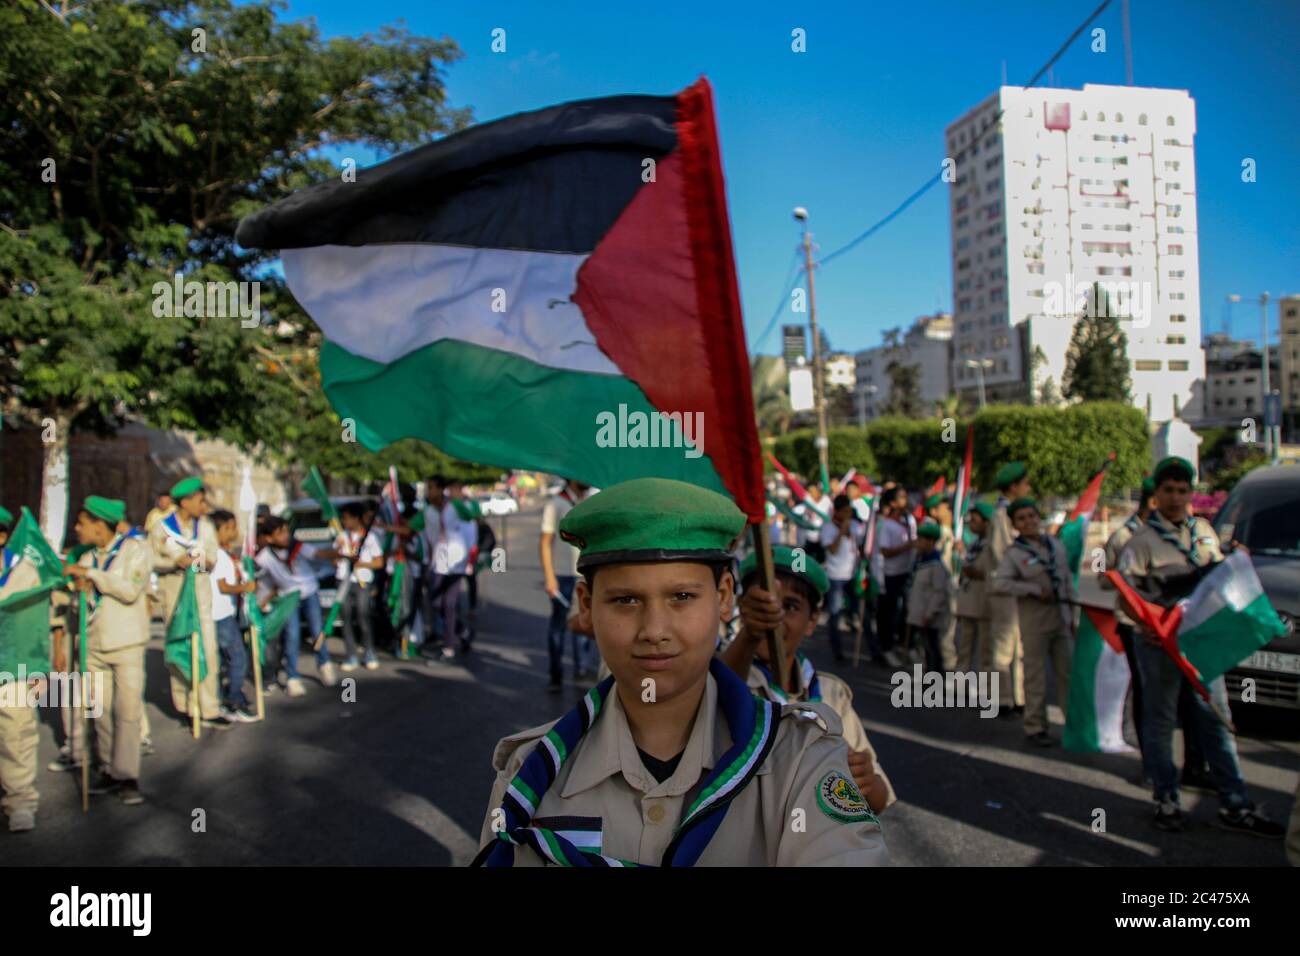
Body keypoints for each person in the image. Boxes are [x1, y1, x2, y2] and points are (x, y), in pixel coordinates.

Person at [474, 477, 889, 867]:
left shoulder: (800, 761)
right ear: (586, 605)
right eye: (625, 600)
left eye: (682, 596)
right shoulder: (528, 775)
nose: (654, 630)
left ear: (724, 598)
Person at [1117, 456, 1284, 836]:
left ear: (1192, 493)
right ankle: (1166, 798)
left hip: (1202, 644)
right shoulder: (1141, 542)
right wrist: (1148, 623)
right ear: (1156, 495)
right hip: (1160, 645)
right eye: (1168, 490)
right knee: (1160, 721)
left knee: (1216, 719)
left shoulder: (1205, 532)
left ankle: (1235, 804)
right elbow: (1128, 594)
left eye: (1183, 490)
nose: (1176, 497)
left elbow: (1217, 580)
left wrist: (1235, 560)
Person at [725, 546, 896, 814]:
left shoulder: (831, 693)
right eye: (762, 604)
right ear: (743, 607)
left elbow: (880, 799)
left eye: (790, 606)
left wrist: (865, 780)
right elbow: (719, 698)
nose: (774, 617)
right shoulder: (723, 675)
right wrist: (748, 636)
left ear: (812, 621)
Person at [66, 497, 151, 804]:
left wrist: (93, 577)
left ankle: (128, 775)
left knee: (126, 712)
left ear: (99, 525)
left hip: (126, 643)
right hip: (94, 644)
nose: (77, 529)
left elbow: (129, 590)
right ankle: (108, 768)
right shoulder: (87, 558)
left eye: (81, 523)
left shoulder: (136, 551)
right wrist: (80, 592)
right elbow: (85, 603)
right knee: (99, 712)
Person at [992, 497, 1075, 746]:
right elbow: (1000, 583)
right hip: (1034, 619)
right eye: (1022, 518)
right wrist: (1031, 589)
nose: (1029, 522)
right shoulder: (1015, 554)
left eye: (1032, 516)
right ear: (1015, 525)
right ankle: (1035, 726)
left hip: (1060, 617)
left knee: (1067, 673)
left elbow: (1068, 580)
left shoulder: (1055, 546)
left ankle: (1073, 724)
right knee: (1035, 675)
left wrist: (1073, 615)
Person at [149, 476, 228, 728]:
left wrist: (203, 562)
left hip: (201, 598)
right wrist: (175, 562)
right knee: (180, 650)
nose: (202, 506)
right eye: (199, 501)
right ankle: (186, 706)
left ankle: (210, 708)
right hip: (174, 598)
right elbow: (150, 560)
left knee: (208, 650)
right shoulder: (161, 529)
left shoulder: (205, 527)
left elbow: (213, 556)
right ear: (185, 502)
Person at [255, 515, 336, 696]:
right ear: (268, 538)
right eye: (280, 533)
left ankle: (324, 663)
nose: (285, 536)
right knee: (292, 635)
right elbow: (259, 578)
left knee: (317, 630)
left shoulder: (297, 547)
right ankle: (292, 676)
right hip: (288, 597)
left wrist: (341, 555)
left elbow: (318, 554)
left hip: (309, 591)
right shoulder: (264, 558)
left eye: (286, 531)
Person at [0, 504, 44, 831]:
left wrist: (36, 670)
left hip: (13, 664)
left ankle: (20, 801)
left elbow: (34, 621)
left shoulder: (24, 570)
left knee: (16, 733)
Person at [539, 479, 596, 691]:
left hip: (585, 572)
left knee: (585, 622)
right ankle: (556, 674)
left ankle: (582, 669)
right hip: (562, 575)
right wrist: (549, 576)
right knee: (559, 626)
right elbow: (545, 542)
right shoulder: (556, 502)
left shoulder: (591, 501)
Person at [987, 461, 1030, 717]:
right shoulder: (1001, 515)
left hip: (1016, 587)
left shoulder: (1011, 513)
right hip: (1005, 588)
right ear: (1013, 487)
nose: (1028, 488)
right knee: (1004, 645)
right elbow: (1000, 551)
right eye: (1025, 484)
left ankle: (1018, 696)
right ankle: (1002, 699)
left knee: (1018, 646)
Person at [209, 510, 257, 721]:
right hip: (219, 614)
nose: (235, 532)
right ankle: (234, 699)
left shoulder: (221, 552)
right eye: (232, 527)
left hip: (221, 613)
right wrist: (245, 587)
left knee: (221, 661)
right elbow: (223, 586)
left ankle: (221, 699)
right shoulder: (216, 555)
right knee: (238, 658)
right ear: (223, 528)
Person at [334, 502, 384, 671]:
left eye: (347, 518)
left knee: (363, 616)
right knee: (345, 618)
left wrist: (362, 564)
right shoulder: (341, 537)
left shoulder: (369, 537)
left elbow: (379, 562)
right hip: (343, 580)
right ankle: (351, 655)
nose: (344, 521)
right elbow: (334, 561)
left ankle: (369, 652)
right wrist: (338, 552)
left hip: (362, 581)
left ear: (356, 518)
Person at [872, 485, 915, 668]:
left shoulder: (908, 520)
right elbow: (885, 551)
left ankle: (904, 645)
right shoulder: (886, 524)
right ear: (892, 503)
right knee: (888, 612)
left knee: (906, 610)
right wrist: (908, 546)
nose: (906, 501)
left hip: (905, 571)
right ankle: (887, 648)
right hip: (889, 574)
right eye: (902, 497)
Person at [818, 494, 861, 664]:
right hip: (835, 575)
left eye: (850, 512)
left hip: (851, 574)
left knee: (857, 611)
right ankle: (837, 649)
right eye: (845, 512)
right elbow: (832, 550)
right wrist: (841, 532)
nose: (848, 515)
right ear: (837, 511)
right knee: (835, 613)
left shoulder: (854, 526)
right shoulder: (828, 528)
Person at [955, 502, 995, 673]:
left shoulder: (991, 546)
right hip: (968, 602)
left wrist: (976, 573)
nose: (971, 524)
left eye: (975, 520)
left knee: (986, 650)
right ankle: (960, 680)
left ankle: (985, 687)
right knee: (964, 646)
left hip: (984, 603)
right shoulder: (974, 544)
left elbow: (992, 572)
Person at [906, 524, 951, 674]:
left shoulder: (936, 565)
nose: (917, 543)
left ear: (931, 542)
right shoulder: (921, 561)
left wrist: (930, 613)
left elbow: (939, 592)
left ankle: (935, 680)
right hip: (919, 613)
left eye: (921, 539)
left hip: (928, 616)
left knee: (932, 649)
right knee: (924, 649)